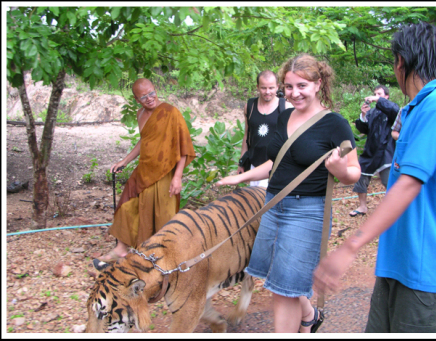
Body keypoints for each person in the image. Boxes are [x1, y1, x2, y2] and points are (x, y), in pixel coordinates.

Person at [314, 22, 436, 333]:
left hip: (424, 271)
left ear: (400, 62)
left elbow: (410, 184)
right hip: (397, 263)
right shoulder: (416, 108)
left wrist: (350, 247)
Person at [217, 54, 361, 333]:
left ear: (318, 84)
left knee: (283, 289)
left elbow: (354, 171)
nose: (294, 93)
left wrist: (340, 170)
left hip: (308, 211)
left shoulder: (334, 124)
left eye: (302, 86)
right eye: (289, 87)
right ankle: (309, 316)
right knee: (279, 278)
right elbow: (276, 163)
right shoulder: (284, 116)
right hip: (274, 204)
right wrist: (240, 176)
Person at [99, 78, 196, 262]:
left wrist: (177, 177)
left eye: (151, 93)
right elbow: (145, 141)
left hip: (164, 172)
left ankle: (167, 257)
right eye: (144, 97)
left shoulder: (170, 112)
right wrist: (125, 161)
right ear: (137, 99)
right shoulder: (140, 114)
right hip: (144, 169)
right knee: (127, 206)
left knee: (164, 216)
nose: (150, 98)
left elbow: (183, 146)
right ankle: (121, 250)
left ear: (155, 89)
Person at [349, 85, 399, 217]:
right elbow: (364, 129)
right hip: (370, 151)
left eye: (380, 94)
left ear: (386, 96)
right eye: (375, 94)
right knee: (361, 177)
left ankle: (396, 208)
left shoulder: (392, 111)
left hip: (386, 151)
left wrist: (378, 100)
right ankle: (362, 206)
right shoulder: (372, 113)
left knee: (389, 181)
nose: (376, 96)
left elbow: (395, 109)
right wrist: (364, 115)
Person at [238, 70, 292, 187]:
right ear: (257, 87)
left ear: (277, 87)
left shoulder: (286, 108)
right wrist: (242, 162)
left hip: (276, 167)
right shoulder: (250, 106)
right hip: (254, 165)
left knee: (270, 204)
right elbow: (247, 135)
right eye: (263, 88)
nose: (267, 92)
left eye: (271, 88)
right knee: (254, 203)